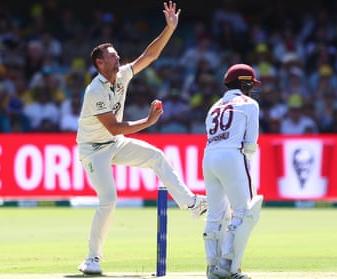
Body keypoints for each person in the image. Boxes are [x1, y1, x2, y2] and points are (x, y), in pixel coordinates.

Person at [76, 1, 207, 275]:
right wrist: (147, 122)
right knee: (109, 199)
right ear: (100, 63)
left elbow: (150, 56)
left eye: (117, 54)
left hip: (113, 144)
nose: (118, 58)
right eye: (112, 56)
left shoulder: (122, 75)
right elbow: (113, 128)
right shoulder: (95, 92)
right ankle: (92, 259)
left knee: (156, 157)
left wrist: (169, 29)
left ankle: (191, 204)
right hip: (93, 150)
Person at [202, 64, 264, 279]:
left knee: (215, 214)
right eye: (250, 85)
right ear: (245, 83)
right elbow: (250, 145)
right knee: (244, 211)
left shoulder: (214, 107)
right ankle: (229, 265)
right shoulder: (250, 104)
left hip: (208, 157)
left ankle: (212, 266)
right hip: (233, 155)